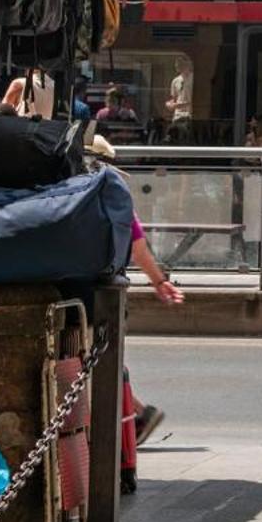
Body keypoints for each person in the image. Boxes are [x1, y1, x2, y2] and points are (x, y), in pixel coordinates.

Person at [85, 134, 180, 491]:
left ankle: (131, 428)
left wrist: (160, 283)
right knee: (110, 369)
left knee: (103, 371)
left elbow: (138, 246)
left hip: (90, 292)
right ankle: (134, 426)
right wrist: (159, 283)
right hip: (112, 292)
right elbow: (138, 248)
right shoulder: (116, 196)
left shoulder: (88, 194)